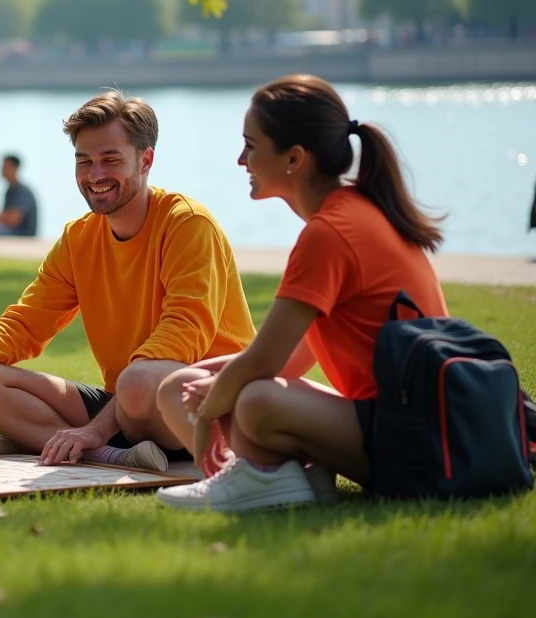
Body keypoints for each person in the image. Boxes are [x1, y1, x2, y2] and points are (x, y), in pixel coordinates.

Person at [0, 89, 256, 472]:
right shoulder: (79, 238)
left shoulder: (188, 224)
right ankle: (101, 454)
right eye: (84, 161)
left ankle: (59, 441)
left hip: (205, 406)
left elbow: (183, 335)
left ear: (146, 160)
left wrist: (97, 427)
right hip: (127, 406)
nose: (95, 175)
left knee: (138, 382)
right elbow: (25, 323)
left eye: (110, 160)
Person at [154, 74, 448, 512]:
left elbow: (264, 364)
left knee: (254, 401)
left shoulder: (331, 232)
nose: (241, 159)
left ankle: (261, 478)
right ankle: (291, 478)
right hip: (402, 427)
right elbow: (290, 357)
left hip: (419, 447)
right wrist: (209, 387)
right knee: (179, 386)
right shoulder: (354, 211)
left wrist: (209, 412)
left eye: (250, 146)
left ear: (294, 158)